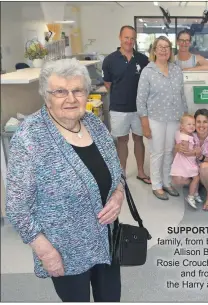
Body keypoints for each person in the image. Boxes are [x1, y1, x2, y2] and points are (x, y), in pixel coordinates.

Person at [6, 59, 124, 302]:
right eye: (60, 91)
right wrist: (45, 252)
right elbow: (17, 208)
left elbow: (117, 171)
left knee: (111, 299)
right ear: (46, 96)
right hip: (64, 250)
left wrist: (118, 193)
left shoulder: (94, 124)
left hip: (106, 240)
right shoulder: (30, 137)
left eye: (77, 90)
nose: (70, 98)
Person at [136, 36, 188, 200]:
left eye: (167, 47)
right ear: (154, 50)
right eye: (160, 47)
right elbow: (140, 99)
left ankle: (166, 182)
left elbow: (182, 95)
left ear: (171, 50)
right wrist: (144, 123)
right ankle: (157, 185)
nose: (164, 50)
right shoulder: (148, 71)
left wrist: (185, 118)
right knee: (157, 152)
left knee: (168, 151)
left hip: (174, 118)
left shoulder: (176, 70)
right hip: (155, 119)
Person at [102, 25, 151, 185]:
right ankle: (122, 171)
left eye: (132, 38)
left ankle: (141, 171)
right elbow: (108, 84)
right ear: (120, 37)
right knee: (122, 141)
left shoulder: (143, 59)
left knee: (139, 139)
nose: (129, 41)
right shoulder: (110, 60)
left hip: (139, 109)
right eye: (126, 37)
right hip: (118, 108)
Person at [172, 109, 208, 211]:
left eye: (205, 122)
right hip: (193, 172)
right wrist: (177, 148)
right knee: (176, 179)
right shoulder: (189, 136)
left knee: (204, 167)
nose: (201, 125)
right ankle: (196, 188)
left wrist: (202, 157)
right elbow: (177, 157)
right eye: (198, 122)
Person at [170, 114, 203, 209]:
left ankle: (195, 193)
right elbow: (185, 152)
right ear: (182, 126)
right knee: (196, 178)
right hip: (187, 162)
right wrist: (196, 152)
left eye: (193, 124)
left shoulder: (183, 134)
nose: (192, 126)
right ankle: (191, 196)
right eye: (189, 124)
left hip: (188, 161)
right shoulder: (185, 138)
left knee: (195, 178)